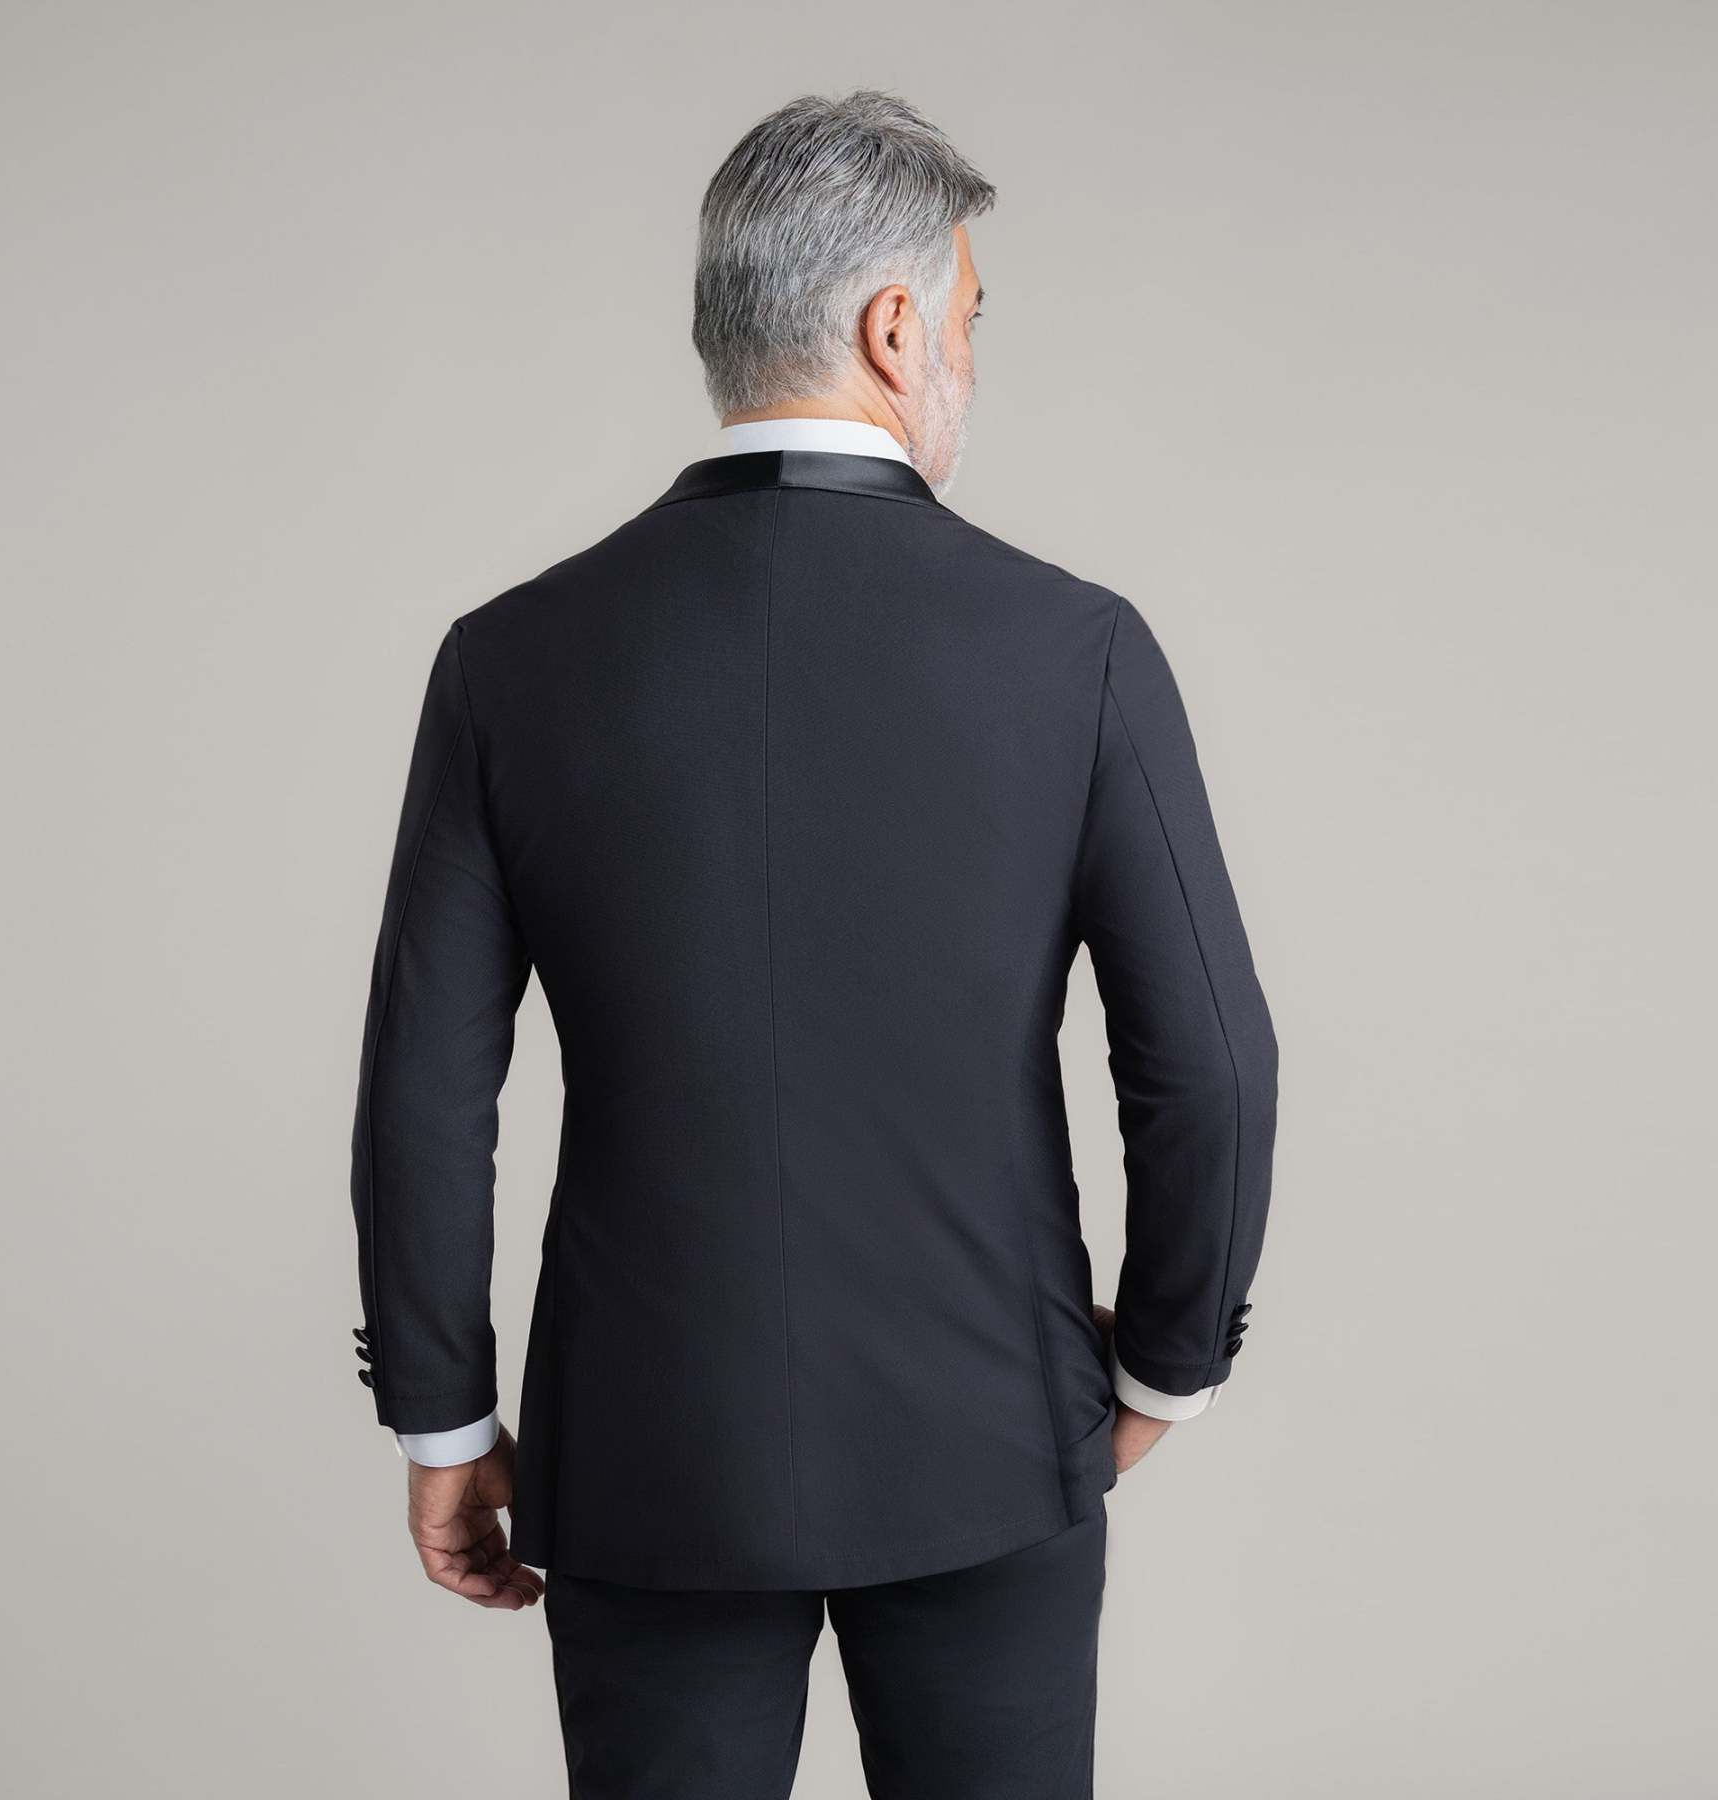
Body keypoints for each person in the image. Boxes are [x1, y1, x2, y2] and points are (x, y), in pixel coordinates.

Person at [348, 88, 1278, 1799]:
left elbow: (423, 1087)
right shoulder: (1073, 648)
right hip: (993, 1433)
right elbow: (1211, 1066)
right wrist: (1165, 1369)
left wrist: (444, 1418)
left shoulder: (509, 659)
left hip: (648, 1447)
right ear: (894, 327)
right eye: (974, 317)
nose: (973, 360)